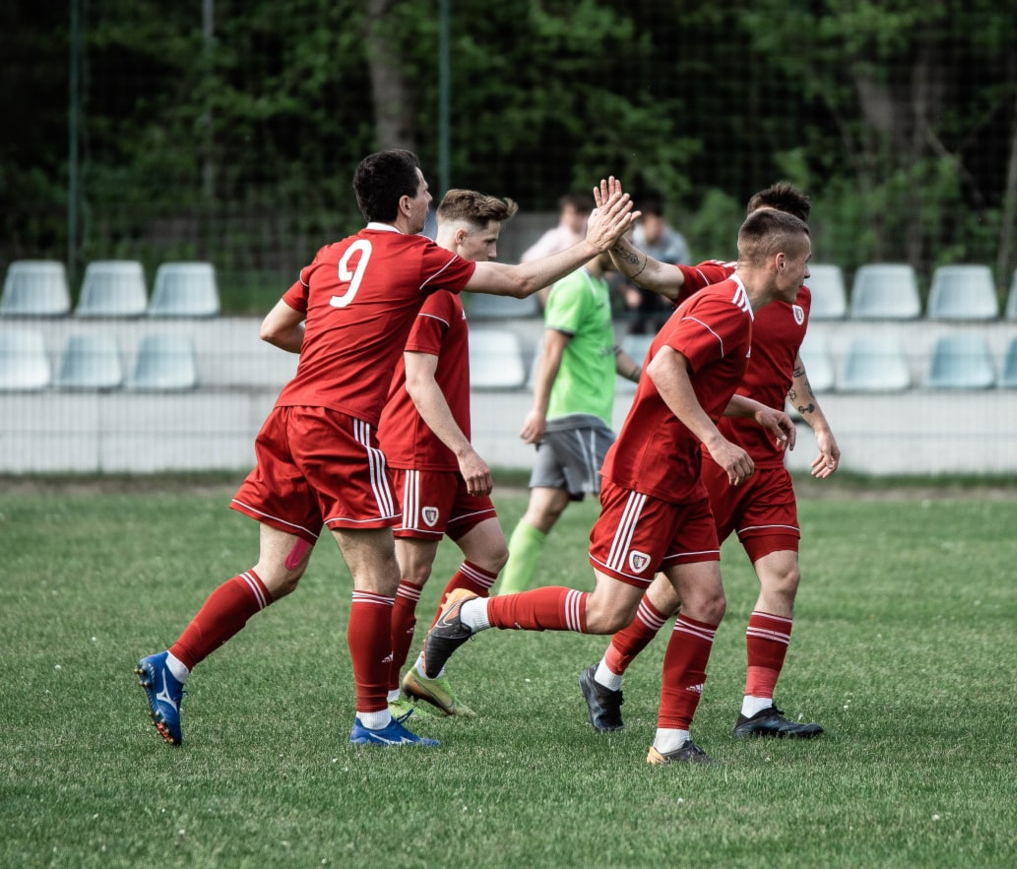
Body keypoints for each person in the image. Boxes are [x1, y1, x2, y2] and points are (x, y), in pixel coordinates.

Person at [134, 150, 639, 747]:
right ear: (405, 203)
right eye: (424, 191)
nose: (429, 200)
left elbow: (273, 328)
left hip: (289, 416)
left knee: (276, 573)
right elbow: (520, 283)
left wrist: (338, 352)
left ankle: (173, 665)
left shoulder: (331, 254)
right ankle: (374, 720)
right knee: (381, 576)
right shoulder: (416, 256)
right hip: (339, 425)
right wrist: (591, 244)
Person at [417, 199, 809, 765]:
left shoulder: (740, 308)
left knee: (705, 601)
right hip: (649, 476)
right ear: (779, 262)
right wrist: (716, 440)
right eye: (804, 262)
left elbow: (694, 379)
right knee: (607, 614)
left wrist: (753, 410)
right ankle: (470, 614)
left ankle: (671, 742)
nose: (807, 274)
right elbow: (664, 368)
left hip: (683, 481)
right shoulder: (726, 306)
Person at [581, 182, 840, 741]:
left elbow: (790, 362)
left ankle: (757, 708)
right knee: (676, 591)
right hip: (712, 454)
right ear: (770, 250)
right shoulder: (722, 281)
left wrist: (817, 422)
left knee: (783, 575)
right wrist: (614, 239)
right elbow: (651, 274)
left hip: (765, 456)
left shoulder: (798, 295)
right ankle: (606, 675)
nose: (802, 263)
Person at [375, 189, 519, 721]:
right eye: (489, 241)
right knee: (408, 577)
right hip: (419, 450)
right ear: (460, 237)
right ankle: (382, 701)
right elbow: (418, 381)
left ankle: (425, 671)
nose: (494, 253)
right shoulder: (434, 292)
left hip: (445, 455)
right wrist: (464, 450)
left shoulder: (447, 290)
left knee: (490, 553)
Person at [495, 250, 643, 595]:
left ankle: (504, 602)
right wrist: (538, 410)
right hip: (577, 418)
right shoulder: (575, 285)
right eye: (623, 243)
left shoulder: (599, 285)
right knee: (624, 500)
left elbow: (608, 349)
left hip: (573, 418)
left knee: (544, 510)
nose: (630, 253)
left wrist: (649, 376)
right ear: (604, 242)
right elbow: (551, 350)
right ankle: (624, 598)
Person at [623, 195, 690, 334]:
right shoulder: (631, 240)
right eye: (654, 225)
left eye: (661, 224)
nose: (658, 229)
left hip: (663, 288)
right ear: (644, 225)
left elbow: (686, 269)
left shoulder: (674, 241)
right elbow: (616, 273)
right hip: (637, 288)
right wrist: (626, 291)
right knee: (636, 308)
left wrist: (673, 288)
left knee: (669, 312)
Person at [521, 192, 594, 307]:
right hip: (559, 283)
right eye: (566, 213)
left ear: (584, 216)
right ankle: (551, 312)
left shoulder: (589, 234)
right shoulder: (555, 236)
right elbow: (527, 259)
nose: (570, 218)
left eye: (575, 214)